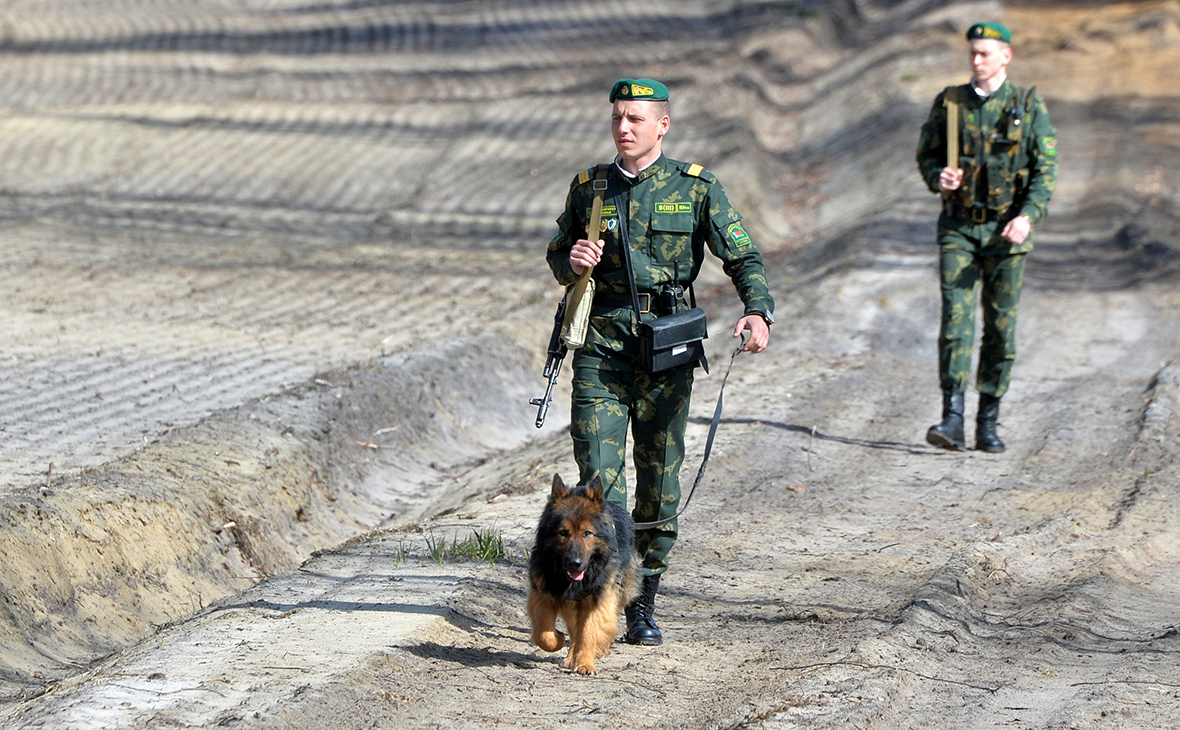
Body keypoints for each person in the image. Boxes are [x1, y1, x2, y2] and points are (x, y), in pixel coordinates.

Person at [545, 78, 775, 645]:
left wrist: (758, 310)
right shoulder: (589, 188)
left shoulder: (695, 188)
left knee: (659, 487)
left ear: (662, 125)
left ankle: (643, 599)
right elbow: (558, 255)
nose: (624, 128)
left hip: (667, 350)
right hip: (603, 346)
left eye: (636, 119)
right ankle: (599, 596)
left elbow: (741, 252)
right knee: (598, 482)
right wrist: (571, 260)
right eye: (618, 118)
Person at [916, 22, 1058, 453]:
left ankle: (988, 422)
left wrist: (1028, 217)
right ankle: (952, 419)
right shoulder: (950, 102)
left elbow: (1044, 171)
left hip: (1006, 232)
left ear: (1005, 56)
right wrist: (938, 177)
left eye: (984, 53)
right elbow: (926, 154)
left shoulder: (1027, 104)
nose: (976, 61)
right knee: (955, 324)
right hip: (959, 228)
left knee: (1000, 327)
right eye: (972, 53)